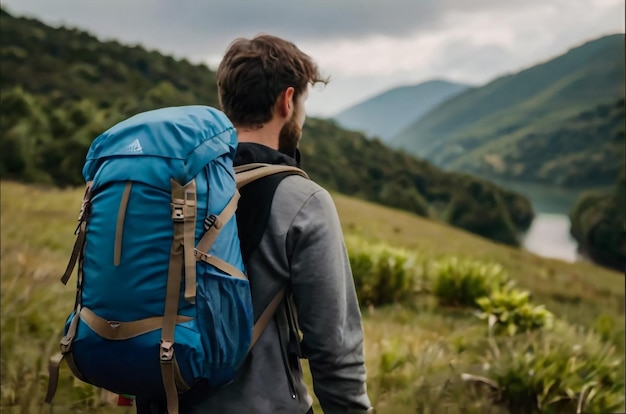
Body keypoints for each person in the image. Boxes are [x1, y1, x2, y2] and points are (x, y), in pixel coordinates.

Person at [180, 34, 373, 414]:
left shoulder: (180, 186)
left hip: (167, 402)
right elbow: (335, 351)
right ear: (287, 101)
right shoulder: (303, 200)